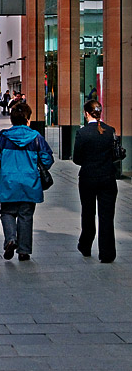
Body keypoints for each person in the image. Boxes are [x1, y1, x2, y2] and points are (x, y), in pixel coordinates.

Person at [0, 101, 54, 261]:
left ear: (12, 120)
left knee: (7, 212)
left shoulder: (4, 138)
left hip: (7, 183)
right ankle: (24, 251)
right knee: (26, 215)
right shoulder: (36, 138)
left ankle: (10, 238)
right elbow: (47, 160)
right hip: (29, 183)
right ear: (28, 119)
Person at [73, 100, 119, 263]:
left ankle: (85, 245)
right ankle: (107, 253)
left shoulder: (82, 133)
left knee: (88, 212)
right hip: (108, 178)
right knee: (107, 216)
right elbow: (115, 156)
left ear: (86, 113)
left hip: (88, 178)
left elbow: (77, 159)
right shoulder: (110, 131)